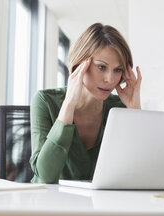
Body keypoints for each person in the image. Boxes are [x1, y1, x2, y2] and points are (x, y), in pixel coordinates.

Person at [29, 23, 142, 184]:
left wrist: (135, 110)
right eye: (101, 67)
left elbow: (140, 171)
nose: (110, 79)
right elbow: (45, 176)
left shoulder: (121, 108)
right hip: (52, 203)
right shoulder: (45, 101)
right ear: (80, 64)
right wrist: (68, 105)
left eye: (118, 70)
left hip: (101, 205)